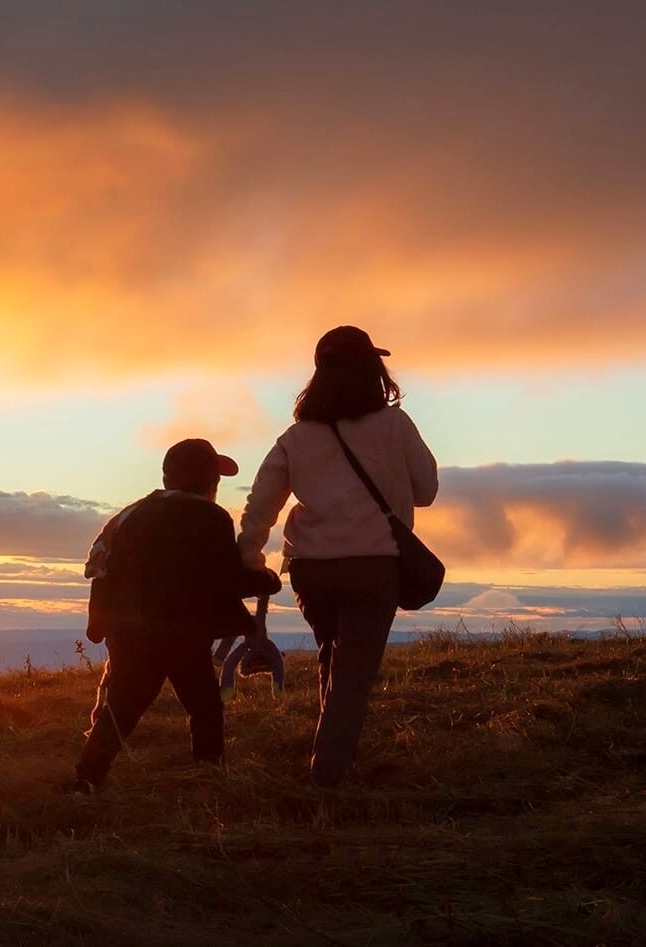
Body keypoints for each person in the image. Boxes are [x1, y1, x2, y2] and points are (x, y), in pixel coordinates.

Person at [239, 326, 438, 788]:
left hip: (311, 571)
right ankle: (327, 778)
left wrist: (249, 558)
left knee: (333, 659)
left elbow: (261, 503)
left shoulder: (296, 436)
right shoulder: (395, 425)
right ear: (375, 370)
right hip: (373, 566)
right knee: (353, 676)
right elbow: (426, 491)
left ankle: (336, 761)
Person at [74, 438, 283, 793]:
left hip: (128, 632)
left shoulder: (130, 515)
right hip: (183, 634)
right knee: (205, 708)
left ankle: (87, 779)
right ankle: (208, 776)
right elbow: (226, 579)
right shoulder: (212, 518)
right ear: (209, 483)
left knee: (121, 708)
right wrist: (267, 580)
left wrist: (100, 625)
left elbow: (100, 570)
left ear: (167, 476)